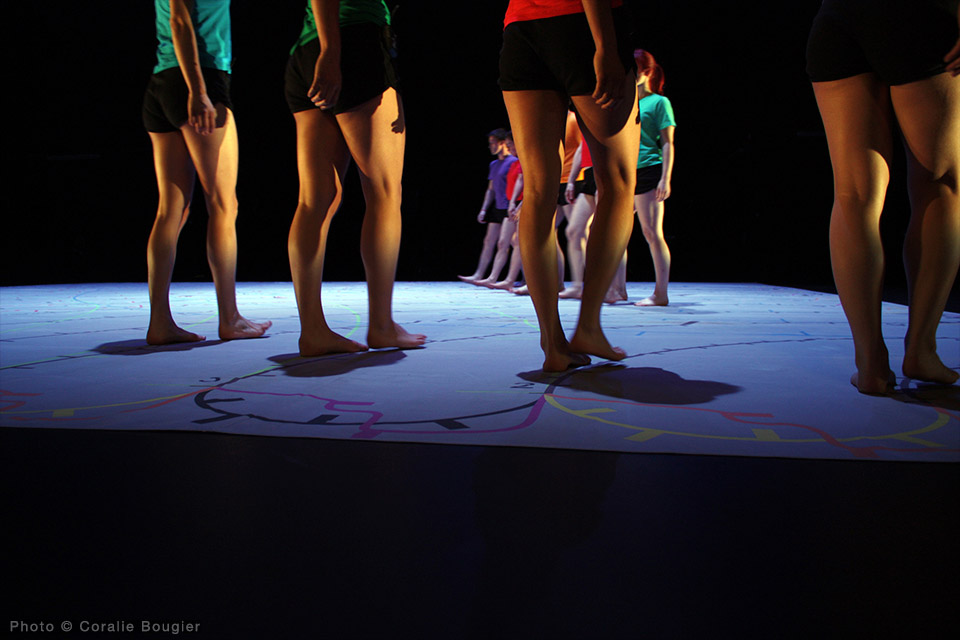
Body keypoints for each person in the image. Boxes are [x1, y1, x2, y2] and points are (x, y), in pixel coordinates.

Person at [807, 0, 960, 393]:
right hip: (920, 16)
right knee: (939, 183)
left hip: (837, 17)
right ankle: (921, 349)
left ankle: (871, 364)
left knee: (853, 194)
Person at [500, 0, 640, 371]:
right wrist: (606, 47)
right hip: (580, 24)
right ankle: (589, 326)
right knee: (619, 181)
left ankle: (553, 344)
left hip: (520, 27)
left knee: (538, 191)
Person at [285, 0, 426, 356]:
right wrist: (333, 51)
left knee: (316, 199)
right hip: (352, 44)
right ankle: (381, 325)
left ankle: (313, 331)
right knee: (384, 193)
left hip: (307, 48)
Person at [143, 0, 271, 345]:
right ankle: (229, 318)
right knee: (224, 205)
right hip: (197, 79)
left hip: (163, 82)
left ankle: (160, 323)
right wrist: (199, 91)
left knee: (172, 209)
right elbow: (180, 21)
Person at [608, 49, 676, 306]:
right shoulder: (627, 102)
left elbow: (668, 143)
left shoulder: (659, 102)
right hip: (626, 173)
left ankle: (661, 293)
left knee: (651, 232)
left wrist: (665, 178)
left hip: (649, 170)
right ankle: (618, 290)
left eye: (633, 70)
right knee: (619, 234)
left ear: (646, 72)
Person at [459, 129, 517, 285]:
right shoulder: (494, 164)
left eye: (493, 143)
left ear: (503, 143)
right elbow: (490, 190)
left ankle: (498, 277)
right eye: (489, 143)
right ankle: (479, 274)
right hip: (497, 207)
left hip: (509, 207)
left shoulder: (513, 161)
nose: (490, 146)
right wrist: (484, 209)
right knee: (488, 241)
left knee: (508, 242)